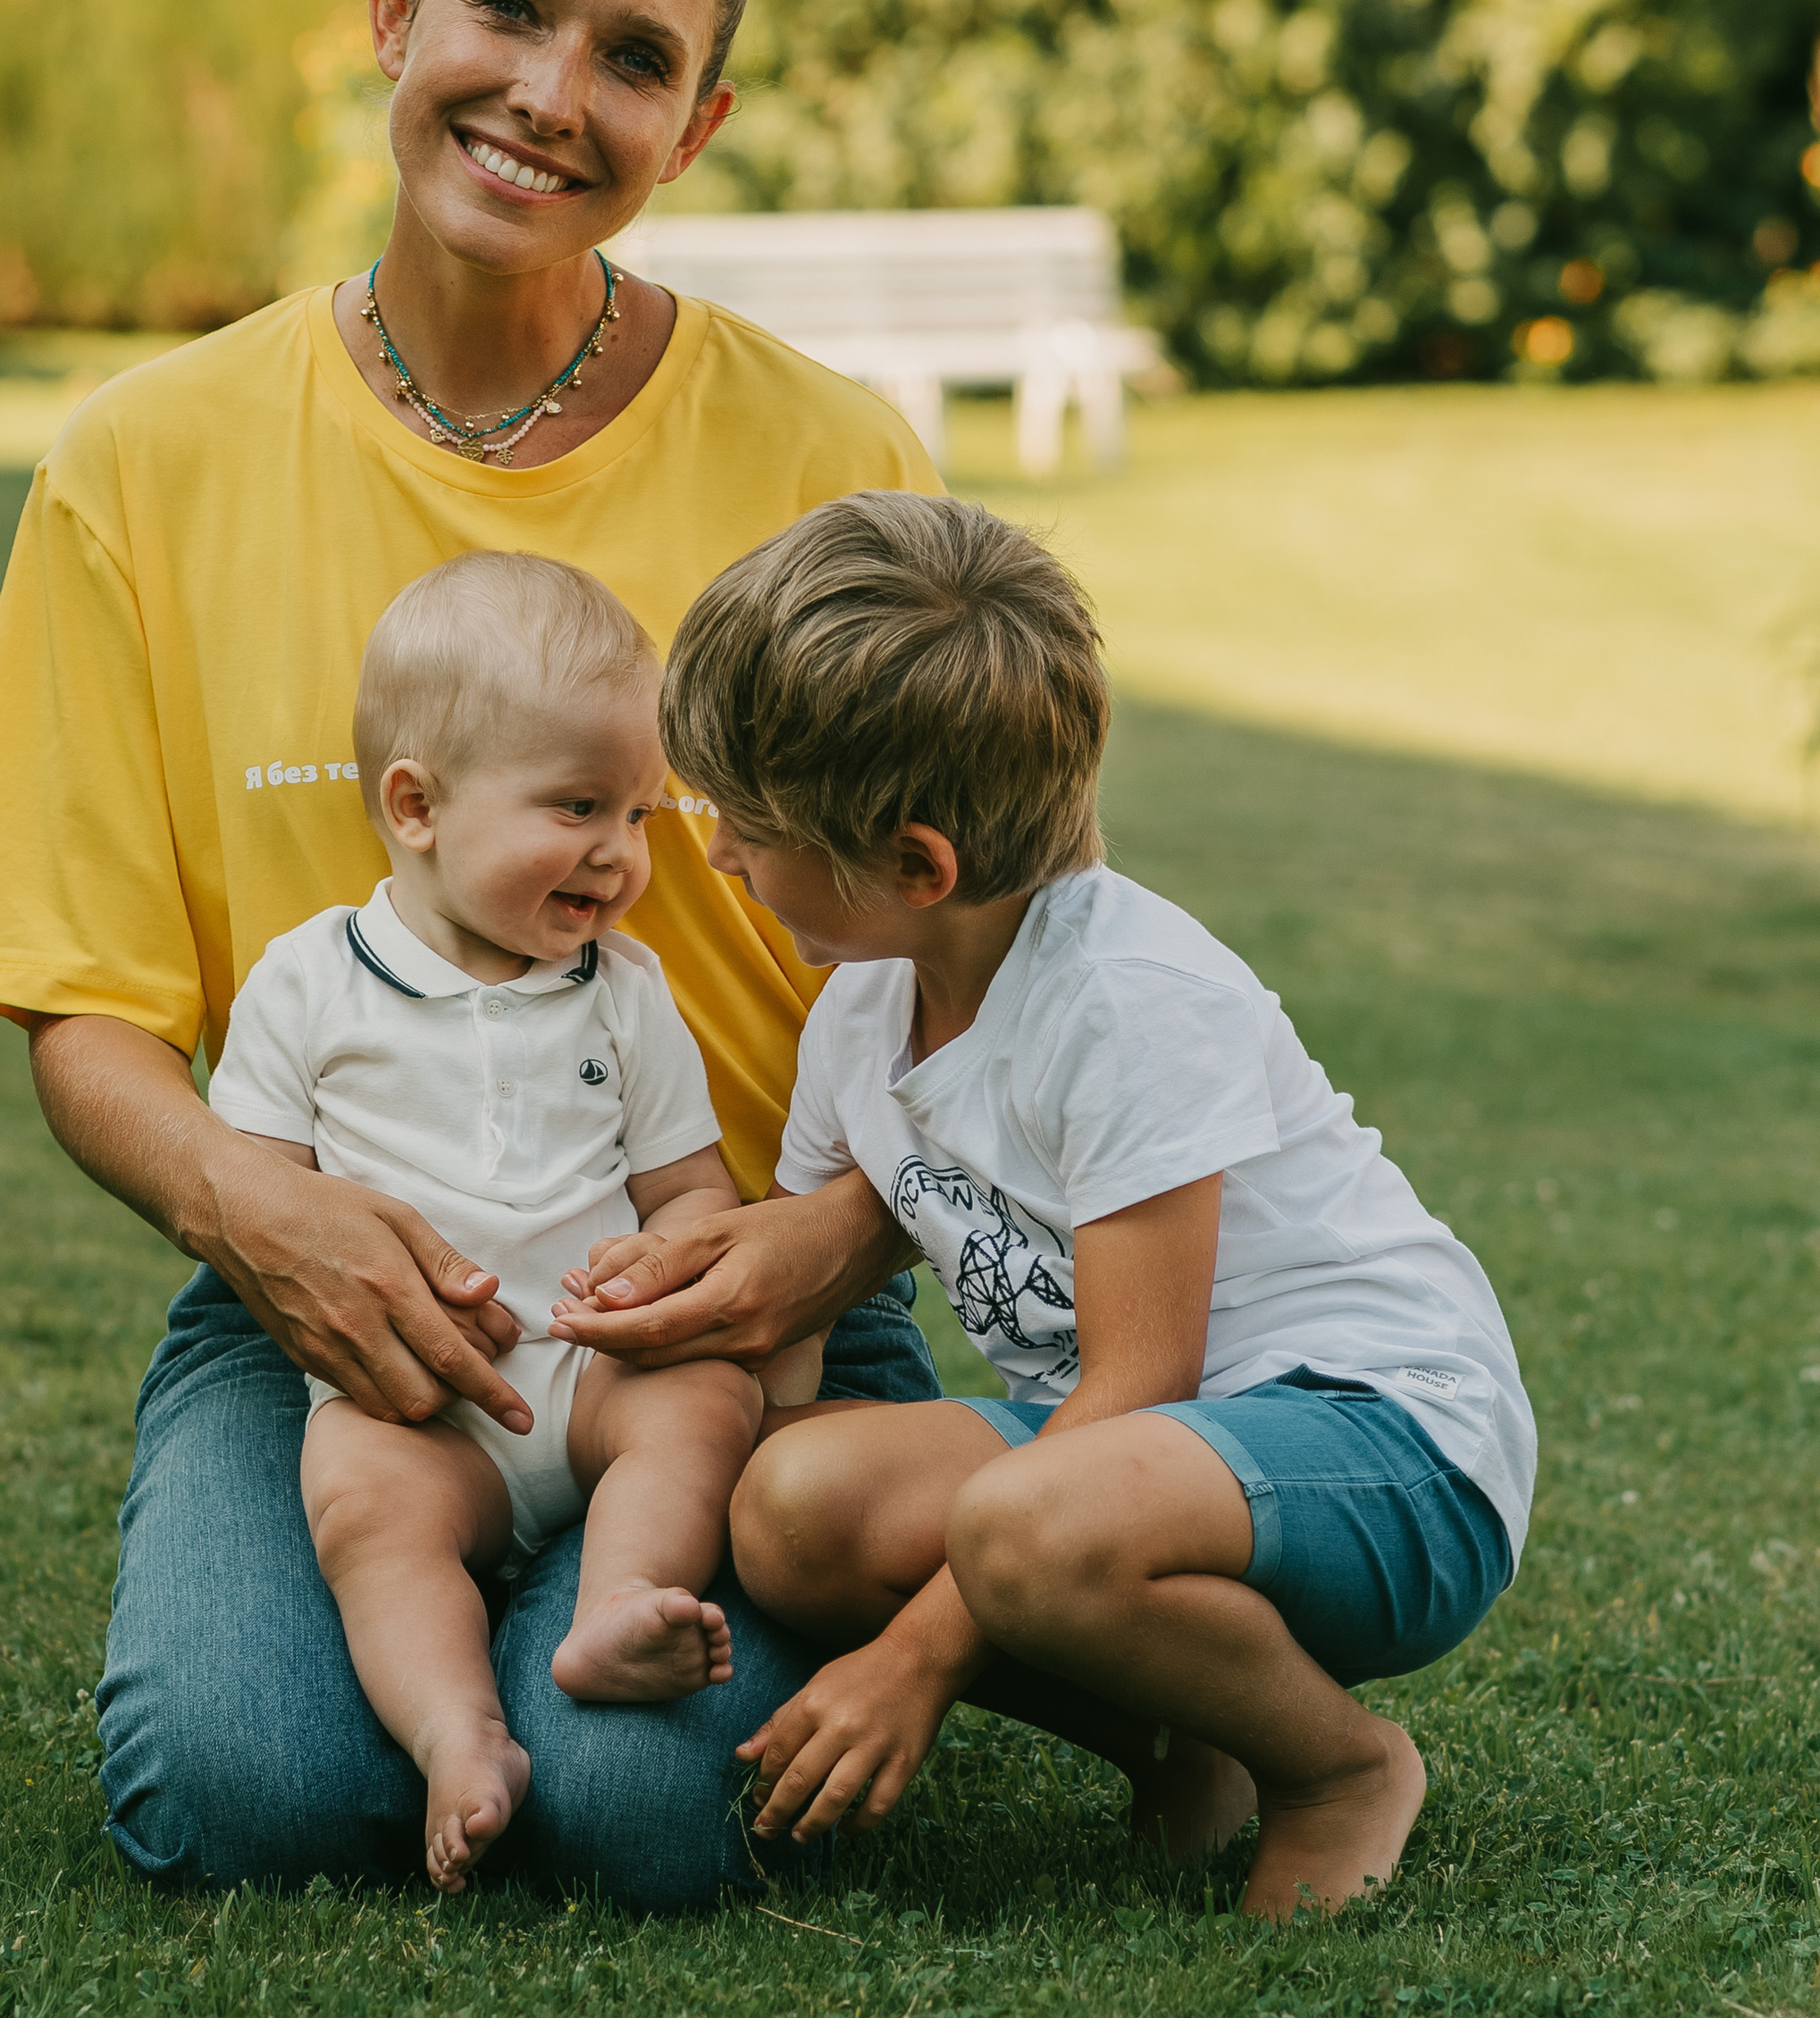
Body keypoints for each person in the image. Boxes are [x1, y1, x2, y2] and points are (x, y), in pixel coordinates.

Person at [0, 0, 946, 1912]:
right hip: (331, 1294)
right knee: (247, 1803)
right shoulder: (146, 460)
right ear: (395, 13)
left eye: (634, 57)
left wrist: (826, 1249)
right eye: (509, 10)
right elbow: (81, 1017)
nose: (554, 95)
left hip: (723, 1284)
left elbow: (987, 938)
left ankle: (743, 1596)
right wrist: (258, 1224)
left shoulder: (831, 455)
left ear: (697, 127)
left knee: (646, 1820)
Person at [554, 492, 1538, 1917]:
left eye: (748, 830)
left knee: (1025, 1526)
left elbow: (1144, 1380)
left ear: (915, 866)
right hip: (1121, 1478)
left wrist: (916, 1657)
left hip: (1387, 1442)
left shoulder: (1128, 999)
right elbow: (807, 1304)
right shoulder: (860, 1017)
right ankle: (1191, 1739)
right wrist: (681, 1350)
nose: (715, 860)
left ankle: (1338, 1766)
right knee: (792, 1510)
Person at [208, 552, 821, 1896]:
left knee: (699, 1398)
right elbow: (251, 1193)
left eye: (643, 813)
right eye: (579, 807)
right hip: (418, 1383)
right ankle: (459, 1736)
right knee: (369, 1512)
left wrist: (675, 1269)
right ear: (416, 806)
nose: (622, 851)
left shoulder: (625, 989)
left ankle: (616, 1605)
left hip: (597, 1365)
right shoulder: (309, 983)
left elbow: (690, 1191)